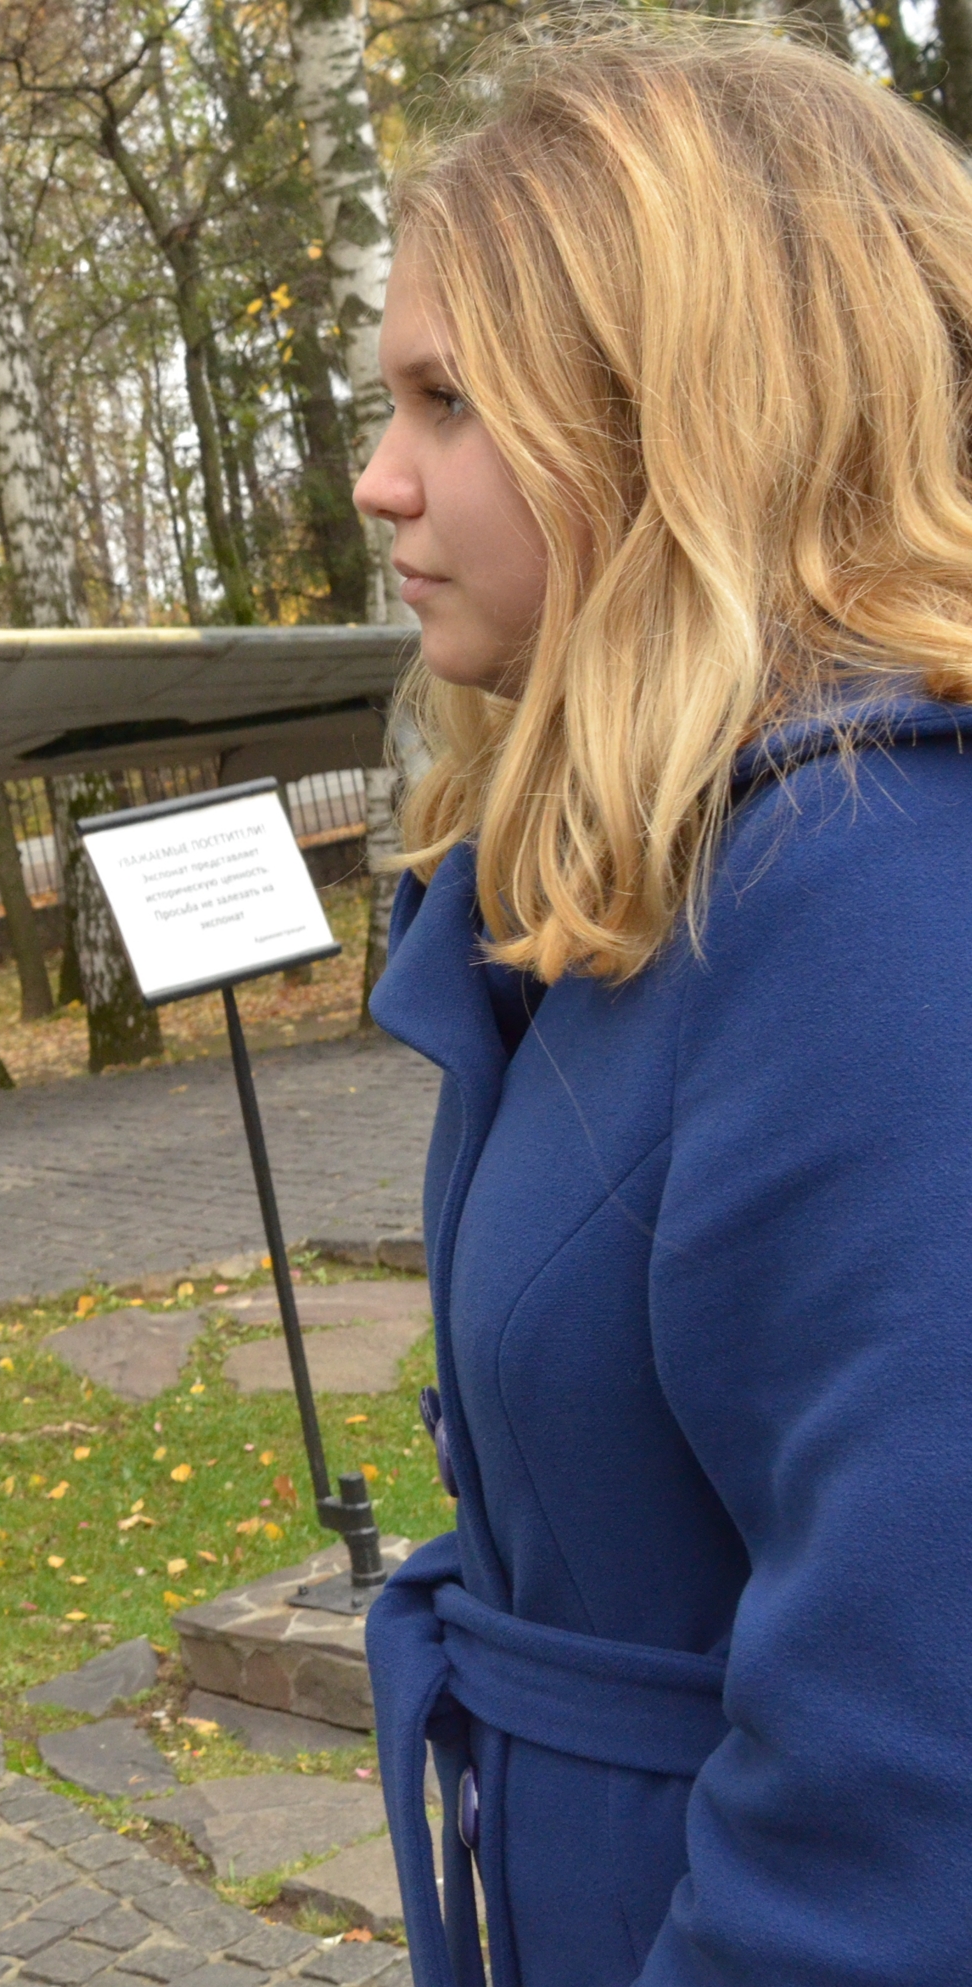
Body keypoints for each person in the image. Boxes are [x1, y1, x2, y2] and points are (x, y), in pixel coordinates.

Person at [352, 23, 972, 1986]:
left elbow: (911, 1798)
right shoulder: (662, 872)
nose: (380, 480)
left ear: (683, 414)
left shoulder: (875, 889)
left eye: (451, 400)